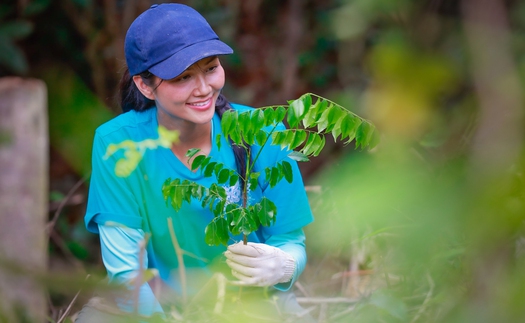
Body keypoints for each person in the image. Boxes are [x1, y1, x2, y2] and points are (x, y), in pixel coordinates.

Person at [75, 3, 314, 322]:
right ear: (145, 85)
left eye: (211, 68)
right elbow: (127, 273)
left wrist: (284, 265)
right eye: (183, 76)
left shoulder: (264, 132)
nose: (204, 89)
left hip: (253, 306)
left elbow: (290, 240)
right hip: (158, 307)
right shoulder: (118, 144)